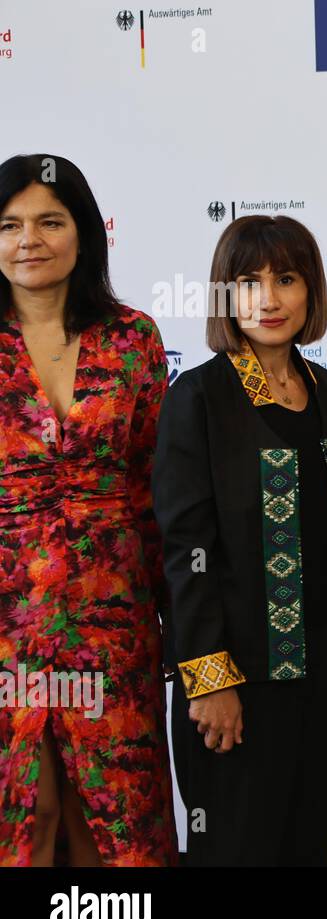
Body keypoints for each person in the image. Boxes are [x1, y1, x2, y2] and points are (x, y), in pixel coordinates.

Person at [153, 215, 327, 865]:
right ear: (222, 295)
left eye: (286, 279)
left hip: (324, 681)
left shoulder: (325, 389)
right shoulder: (199, 397)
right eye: (247, 282)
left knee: (307, 849)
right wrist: (209, 681)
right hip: (238, 687)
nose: (268, 300)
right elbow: (186, 550)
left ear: (311, 291)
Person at [0, 154, 176, 866]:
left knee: (110, 817)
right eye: (8, 225)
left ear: (85, 234)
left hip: (112, 619)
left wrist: (182, 621)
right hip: (8, 621)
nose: (28, 240)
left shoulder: (132, 338)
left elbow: (153, 489)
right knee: (24, 811)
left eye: (50, 221)